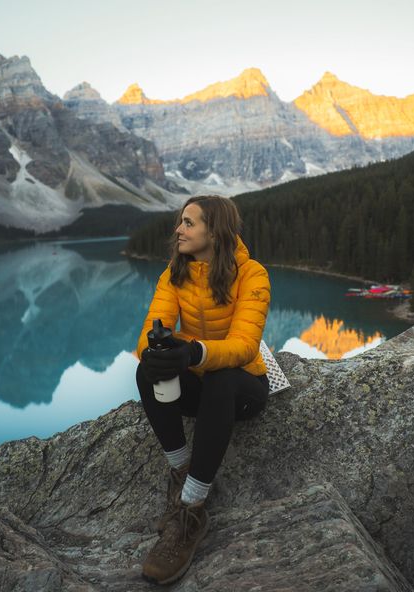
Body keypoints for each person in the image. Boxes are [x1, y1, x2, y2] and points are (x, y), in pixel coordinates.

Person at [135, 195, 271, 586]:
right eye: (180, 222)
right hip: (198, 379)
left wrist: (193, 352)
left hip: (241, 389)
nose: (178, 229)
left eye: (189, 223)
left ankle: (192, 510)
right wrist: (157, 351)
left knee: (222, 377)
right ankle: (181, 474)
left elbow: (245, 346)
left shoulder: (253, 275)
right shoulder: (173, 273)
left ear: (216, 230)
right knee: (148, 370)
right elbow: (149, 330)